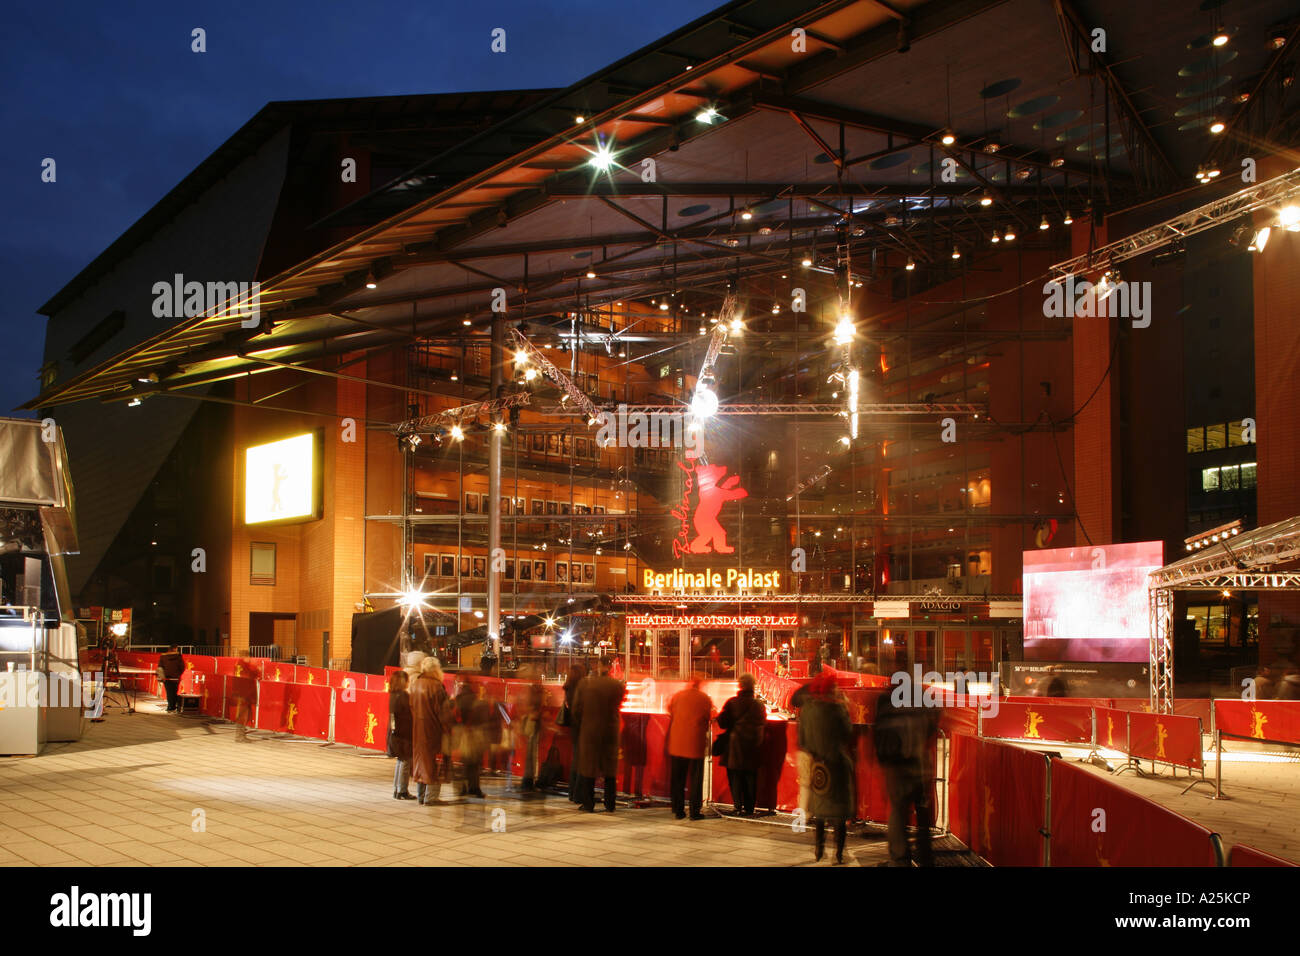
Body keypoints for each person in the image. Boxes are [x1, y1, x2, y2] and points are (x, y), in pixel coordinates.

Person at [874, 685, 940, 866]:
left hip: (897, 769)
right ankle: (925, 855)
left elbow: (879, 736)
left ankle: (900, 856)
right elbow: (932, 725)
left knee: (898, 812)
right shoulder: (920, 706)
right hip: (919, 766)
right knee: (923, 814)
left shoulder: (887, 706)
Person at [800, 673, 854, 864]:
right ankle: (838, 854)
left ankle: (818, 849)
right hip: (837, 765)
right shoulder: (837, 709)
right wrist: (845, 707)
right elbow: (848, 733)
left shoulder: (807, 709)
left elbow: (802, 740)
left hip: (818, 767)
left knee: (820, 810)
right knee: (839, 811)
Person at [573, 657, 625, 812]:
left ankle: (588, 803)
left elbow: (575, 709)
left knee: (589, 768)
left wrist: (582, 722)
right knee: (609, 770)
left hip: (590, 731)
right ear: (610, 667)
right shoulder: (617, 685)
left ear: (598, 665)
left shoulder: (585, 684)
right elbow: (619, 704)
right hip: (610, 731)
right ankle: (610, 804)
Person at [717, 673, 766, 816]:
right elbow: (763, 723)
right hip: (753, 746)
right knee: (751, 777)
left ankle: (738, 806)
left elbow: (722, 722)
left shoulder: (732, 703)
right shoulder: (759, 705)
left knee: (735, 776)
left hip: (735, 746)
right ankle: (750, 808)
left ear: (740, 685)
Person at [667, 676, 713, 820]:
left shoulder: (678, 696)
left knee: (677, 778)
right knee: (696, 780)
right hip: (695, 743)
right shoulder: (704, 698)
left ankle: (678, 809)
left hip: (677, 743)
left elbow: (670, 711)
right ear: (699, 685)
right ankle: (694, 812)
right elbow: (709, 716)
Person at [411, 658, 451, 806]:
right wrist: (449, 728)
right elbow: (443, 713)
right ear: (435, 670)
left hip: (418, 730)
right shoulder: (436, 687)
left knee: (421, 761)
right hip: (434, 731)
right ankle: (431, 797)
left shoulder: (416, 684)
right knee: (435, 762)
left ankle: (421, 795)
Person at [388, 671, 415, 800]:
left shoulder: (392, 695)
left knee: (400, 761)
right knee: (405, 761)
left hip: (395, 733)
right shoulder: (403, 696)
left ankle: (397, 789)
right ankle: (402, 790)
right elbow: (406, 716)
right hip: (404, 733)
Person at [562, 663, 587, 803]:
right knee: (580, 758)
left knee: (576, 757)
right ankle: (577, 792)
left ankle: (572, 791)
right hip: (580, 725)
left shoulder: (568, 688)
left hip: (573, 725)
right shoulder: (580, 689)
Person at [518, 681, 544, 791]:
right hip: (532, 725)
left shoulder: (530, 693)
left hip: (531, 725)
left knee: (530, 756)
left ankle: (527, 781)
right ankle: (528, 782)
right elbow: (533, 712)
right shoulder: (534, 695)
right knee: (531, 755)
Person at [231, 654, 261, 742]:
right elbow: (250, 676)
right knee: (243, 714)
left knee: (243, 714)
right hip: (244, 694)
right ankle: (240, 736)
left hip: (239, 693)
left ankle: (241, 734)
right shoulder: (244, 666)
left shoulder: (238, 665)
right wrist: (257, 670)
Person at [159, 644, 185, 713]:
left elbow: (160, 667)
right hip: (176, 677)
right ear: (175, 648)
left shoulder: (163, 656)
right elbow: (182, 667)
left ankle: (171, 706)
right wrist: (178, 674)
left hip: (166, 677)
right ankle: (174, 705)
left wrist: (162, 676)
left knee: (169, 692)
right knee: (174, 691)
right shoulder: (178, 656)